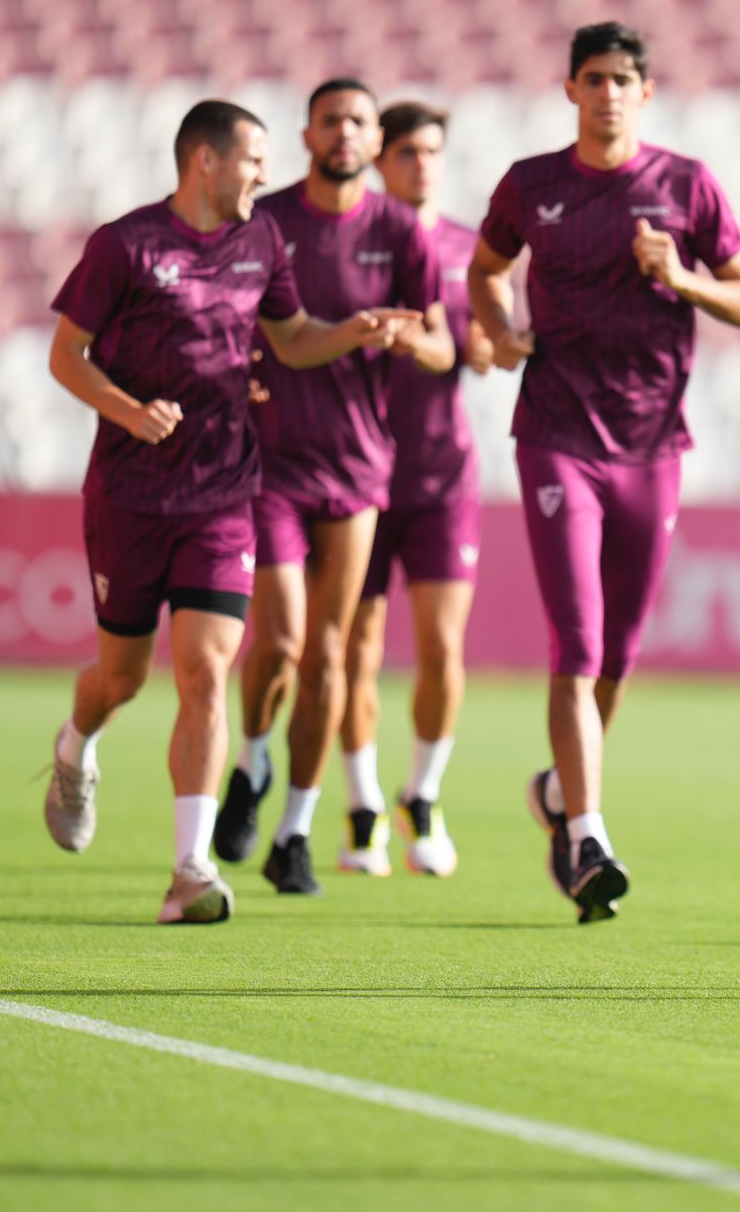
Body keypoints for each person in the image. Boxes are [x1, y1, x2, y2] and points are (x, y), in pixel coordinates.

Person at [42, 99, 423, 924]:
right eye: (252, 158)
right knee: (121, 679)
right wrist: (129, 410)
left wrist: (357, 329)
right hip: (130, 495)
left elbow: (288, 339)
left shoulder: (262, 242)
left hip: (224, 494)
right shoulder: (124, 245)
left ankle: (191, 867)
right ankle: (76, 749)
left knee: (208, 673)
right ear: (206, 162)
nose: (264, 171)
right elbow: (65, 356)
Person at [468, 22, 740, 923]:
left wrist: (684, 279)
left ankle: (560, 792)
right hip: (558, 432)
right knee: (578, 639)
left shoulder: (687, 184)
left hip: (652, 444)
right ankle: (589, 831)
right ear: (570, 90)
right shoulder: (532, 185)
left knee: (619, 656)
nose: (607, 93)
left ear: (645, 92)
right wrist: (500, 328)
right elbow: (484, 271)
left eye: (622, 80)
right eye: (592, 79)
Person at [209, 79, 450, 896]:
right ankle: (250, 761)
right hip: (270, 463)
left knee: (330, 656)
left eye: (359, 121)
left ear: (376, 139)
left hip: (359, 469)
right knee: (277, 640)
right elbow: (223, 314)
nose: (344, 132)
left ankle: (297, 829)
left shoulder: (399, 230)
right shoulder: (267, 221)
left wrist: (411, 340)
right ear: (307, 134)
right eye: (330, 120)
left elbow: (445, 344)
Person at [339, 101, 494, 878]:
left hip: (442, 475)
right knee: (355, 650)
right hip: (355, 472)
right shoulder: (350, 241)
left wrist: (504, 344)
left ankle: (422, 796)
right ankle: (363, 806)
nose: (421, 163)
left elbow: (495, 336)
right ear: (378, 161)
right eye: (405, 151)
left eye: (432, 149)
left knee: (441, 648)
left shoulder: (471, 246)